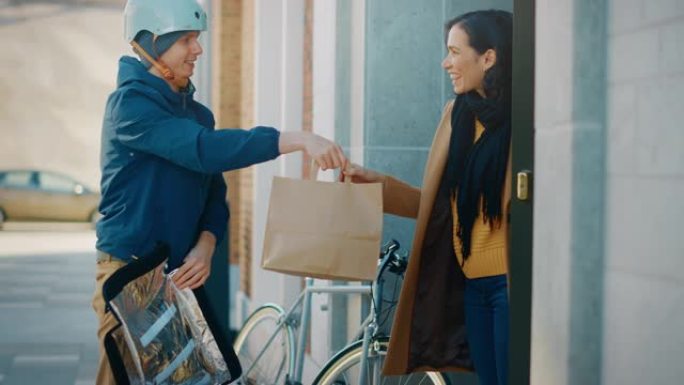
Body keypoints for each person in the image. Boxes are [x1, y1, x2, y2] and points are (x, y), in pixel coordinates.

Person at [91, 0, 346, 383]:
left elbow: (214, 195)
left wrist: (207, 244)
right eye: (187, 41)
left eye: (198, 39)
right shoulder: (129, 107)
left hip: (179, 277)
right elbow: (202, 150)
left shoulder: (197, 115)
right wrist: (292, 139)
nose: (198, 50)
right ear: (154, 44)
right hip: (131, 271)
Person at [344, 10, 513, 385]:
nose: (446, 62)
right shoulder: (457, 116)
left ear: (488, 57)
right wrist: (376, 183)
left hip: (509, 284)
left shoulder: (524, 120)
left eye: (455, 51)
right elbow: (439, 206)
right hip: (472, 283)